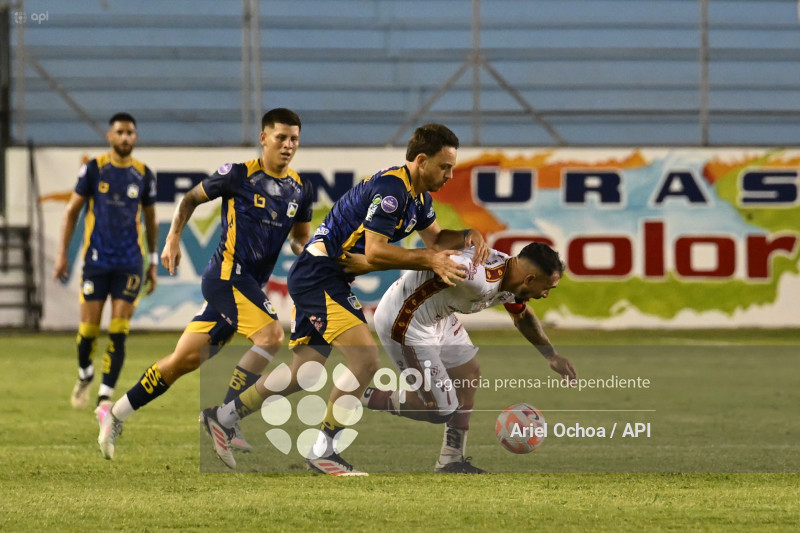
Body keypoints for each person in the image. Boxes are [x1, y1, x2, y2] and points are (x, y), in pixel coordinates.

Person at [200, 123, 489, 475]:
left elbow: (437, 239)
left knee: (304, 372)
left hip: (320, 275)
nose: (449, 174)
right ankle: (324, 451)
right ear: (421, 161)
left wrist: (468, 234)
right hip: (320, 276)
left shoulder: (418, 199)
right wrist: (429, 260)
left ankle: (223, 416)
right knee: (365, 360)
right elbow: (377, 251)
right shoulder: (392, 190)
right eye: (444, 167)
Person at [96, 108, 313, 461]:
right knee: (272, 336)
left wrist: (311, 252)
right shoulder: (238, 174)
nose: (288, 145)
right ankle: (225, 417)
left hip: (247, 286)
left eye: (294, 140)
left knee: (182, 360)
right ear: (263, 138)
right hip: (226, 277)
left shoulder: (301, 188)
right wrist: (173, 238)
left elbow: (300, 237)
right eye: (281, 138)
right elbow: (191, 199)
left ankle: (116, 413)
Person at [363, 242, 578, 473]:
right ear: (530, 279)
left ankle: (451, 460)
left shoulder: (513, 280)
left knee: (468, 374)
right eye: (547, 288)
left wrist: (551, 355)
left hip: (438, 315)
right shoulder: (475, 276)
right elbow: (434, 254)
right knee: (439, 410)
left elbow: (522, 315)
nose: (545, 295)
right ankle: (355, 395)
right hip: (406, 318)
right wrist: (365, 262)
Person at [54, 112, 158, 416]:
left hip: (129, 263)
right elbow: (71, 212)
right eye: (120, 132)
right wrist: (62, 253)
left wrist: (152, 261)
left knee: (119, 329)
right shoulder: (94, 169)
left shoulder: (143, 174)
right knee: (88, 331)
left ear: (135, 137)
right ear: (109, 136)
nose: (125, 137)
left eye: (130, 132)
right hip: (96, 262)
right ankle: (85, 372)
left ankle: (104, 397)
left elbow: (151, 220)